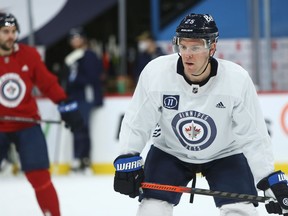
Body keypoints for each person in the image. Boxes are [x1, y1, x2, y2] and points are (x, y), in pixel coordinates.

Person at [113, 13, 288, 216]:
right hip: (170, 151)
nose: (187, 54)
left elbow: (253, 135)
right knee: (152, 208)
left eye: (195, 47)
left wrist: (270, 180)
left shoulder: (236, 80)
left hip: (226, 153)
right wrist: (127, 156)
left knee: (240, 211)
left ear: (212, 48)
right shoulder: (156, 73)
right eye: (183, 46)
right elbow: (137, 121)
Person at [0, 13, 83, 216]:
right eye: (5, 32)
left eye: (13, 31)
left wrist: (64, 103)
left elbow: (47, 83)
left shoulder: (29, 55)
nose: (10, 36)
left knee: (40, 176)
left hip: (27, 123)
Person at [64, 27, 104, 171]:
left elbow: (92, 77)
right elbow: (67, 79)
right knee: (77, 127)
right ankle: (78, 157)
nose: (75, 41)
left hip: (86, 97)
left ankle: (83, 159)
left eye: (78, 37)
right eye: (72, 38)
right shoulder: (72, 56)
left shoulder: (89, 55)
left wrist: (75, 81)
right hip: (74, 97)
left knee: (82, 127)